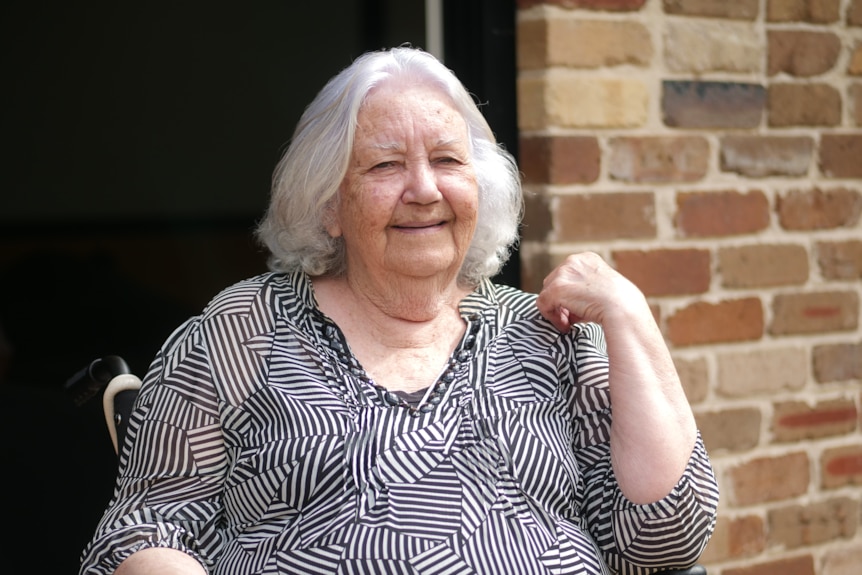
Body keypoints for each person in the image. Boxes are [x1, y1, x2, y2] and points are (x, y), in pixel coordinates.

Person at [80, 46, 718, 575]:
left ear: (480, 189)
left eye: (446, 161)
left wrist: (627, 313)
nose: (423, 189)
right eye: (386, 165)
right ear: (329, 203)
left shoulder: (549, 335)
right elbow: (143, 528)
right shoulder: (242, 331)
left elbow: (663, 539)